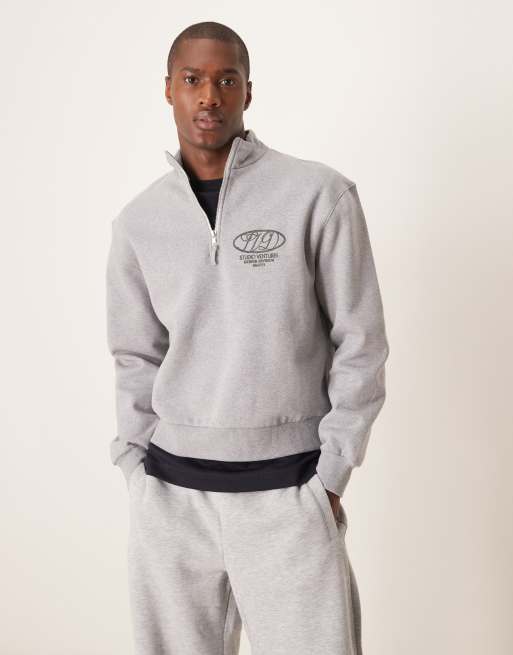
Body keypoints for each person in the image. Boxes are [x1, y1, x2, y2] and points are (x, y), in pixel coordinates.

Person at [105, 20, 389, 655]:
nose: (209, 95)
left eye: (226, 80)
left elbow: (362, 341)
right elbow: (135, 355)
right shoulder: (139, 222)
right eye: (193, 79)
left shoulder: (319, 195)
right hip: (171, 498)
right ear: (169, 89)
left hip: (290, 491)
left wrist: (332, 473)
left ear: (248, 92)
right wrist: (135, 468)